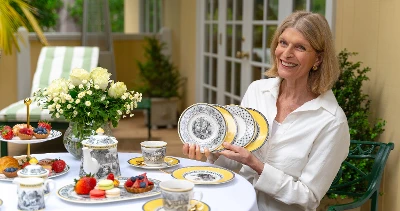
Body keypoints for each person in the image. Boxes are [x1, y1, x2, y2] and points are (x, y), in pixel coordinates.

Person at [182, 11, 350, 211]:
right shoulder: (257, 91)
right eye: (283, 42)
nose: (286, 54)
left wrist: (256, 165)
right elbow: (232, 162)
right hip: (234, 202)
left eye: (300, 47)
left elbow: (309, 197)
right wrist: (213, 152)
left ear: (318, 60)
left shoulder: (331, 120)